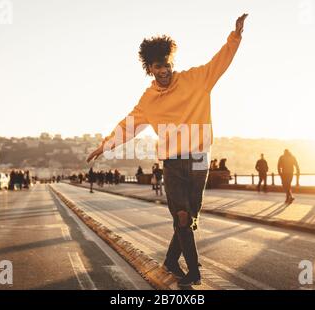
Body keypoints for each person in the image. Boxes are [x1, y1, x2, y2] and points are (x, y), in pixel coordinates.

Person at [86, 13, 247, 287]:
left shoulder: (196, 79)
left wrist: (235, 36)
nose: (165, 71)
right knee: (182, 216)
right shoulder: (148, 100)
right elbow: (128, 126)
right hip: (172, 163)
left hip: (198, 159)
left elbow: (221, 62)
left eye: (168, 65)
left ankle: (171, 261)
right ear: (150, 67)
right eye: (159, 66)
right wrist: (105, 145)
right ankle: (194, 271)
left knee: (190, 217)